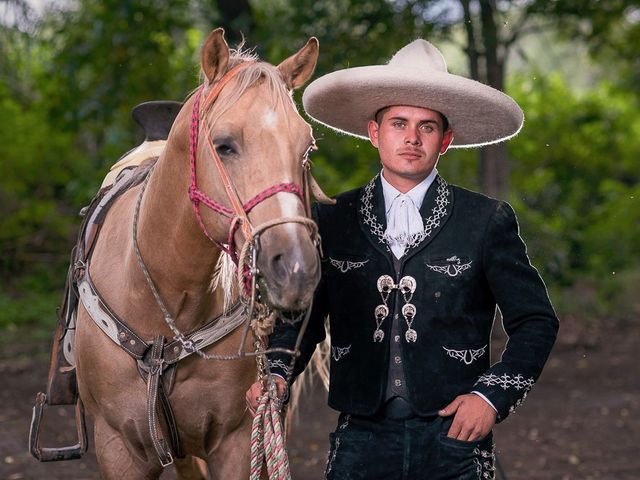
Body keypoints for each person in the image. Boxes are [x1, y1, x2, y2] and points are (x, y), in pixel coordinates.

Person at [246, 39, 559, 479]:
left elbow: (536, 322)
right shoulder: (333, 219)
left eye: (427, 127)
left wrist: (491, 397)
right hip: (360, 434)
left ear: (445, 140)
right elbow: (305, 319)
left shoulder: (485, 221)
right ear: (375, 133)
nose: (411, 138)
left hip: (456, 438)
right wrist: (279, 373)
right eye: (398, 123)